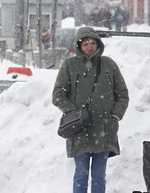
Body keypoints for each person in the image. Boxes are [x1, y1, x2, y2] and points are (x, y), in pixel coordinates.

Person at [52, 26, 130, 193]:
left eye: (92, 43)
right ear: (79, 46)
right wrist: (74, 113)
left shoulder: (108, 64)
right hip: (80, 130)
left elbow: (122, 94)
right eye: (85, 43)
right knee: (81, 173)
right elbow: (58, 95)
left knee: (99, 175)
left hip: (104, 129)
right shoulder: (69, 65)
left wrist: (115, 115)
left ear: (98, 44)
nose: (89, 47)